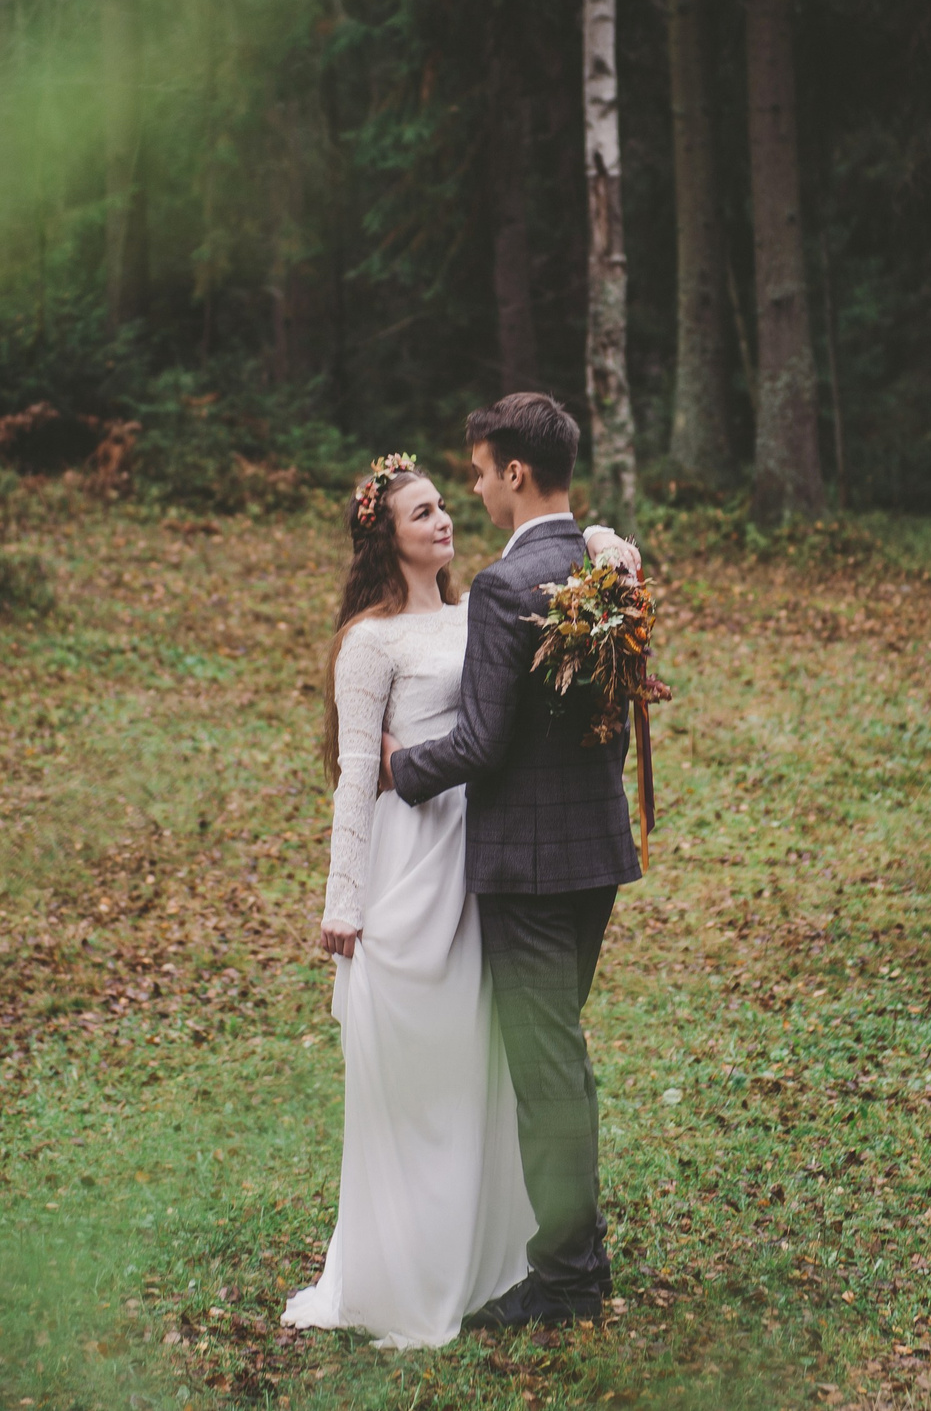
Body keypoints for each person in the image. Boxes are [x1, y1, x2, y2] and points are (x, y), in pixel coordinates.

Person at [281, 447, 634, 1348]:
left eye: (446, 504)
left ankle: (495, 1254)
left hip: (483, 865)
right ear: (386, 538)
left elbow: (559, 571)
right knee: (417, 1076)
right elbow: (358, 775)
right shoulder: (369, 643)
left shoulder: (488, 602)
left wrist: (599, 535)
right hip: (409, 869)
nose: (443, 519)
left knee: (487, 1069)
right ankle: (408, 1263)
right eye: (422, 513)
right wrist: (343, 902)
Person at [384, 393, 644, 1331]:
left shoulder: (502, 587)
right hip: (594, 852)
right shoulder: (604, 563)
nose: (478, 489)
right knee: (561, 1062)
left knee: (546, 1072)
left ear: (517, 474)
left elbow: (483, 743)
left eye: (484, 472)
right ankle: (584, 1254)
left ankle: (568, 1279)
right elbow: (615, 716)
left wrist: (396, 768)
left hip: (528, 870)